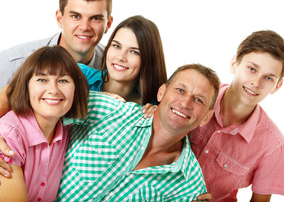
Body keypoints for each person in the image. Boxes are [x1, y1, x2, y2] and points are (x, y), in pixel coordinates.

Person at [56, 63, 219, 201]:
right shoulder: (107, 110)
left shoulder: (190, 187)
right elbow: (35, 114)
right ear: (161, 92)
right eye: (180, 90)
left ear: (206, 117)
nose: (185, 103)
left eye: (198, 100)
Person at [188, 30, 284, 201]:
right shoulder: (194, 94)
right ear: (234, 63)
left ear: (277, 86)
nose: (256, 83)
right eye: (251, 69)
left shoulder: (273, 147)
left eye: (268, 78)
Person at [0, 46, 89, 202]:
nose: (53, 90)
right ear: (26, 86)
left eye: (63, 80)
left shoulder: (68, 131)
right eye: (42, 80)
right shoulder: (9, 135)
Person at [0, 0, 113, 89]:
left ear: (108, 24)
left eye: (95, 18)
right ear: (60, 19)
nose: (84, 27)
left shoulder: (113, 66)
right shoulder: (12, 64)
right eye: (75, 16)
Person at [78, 15, 167, 106]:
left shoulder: (152, 107)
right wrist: (95, 98)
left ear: (149, 60)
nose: (120, 57)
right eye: (116, 46)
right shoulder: (77, 74)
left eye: (134, 52)